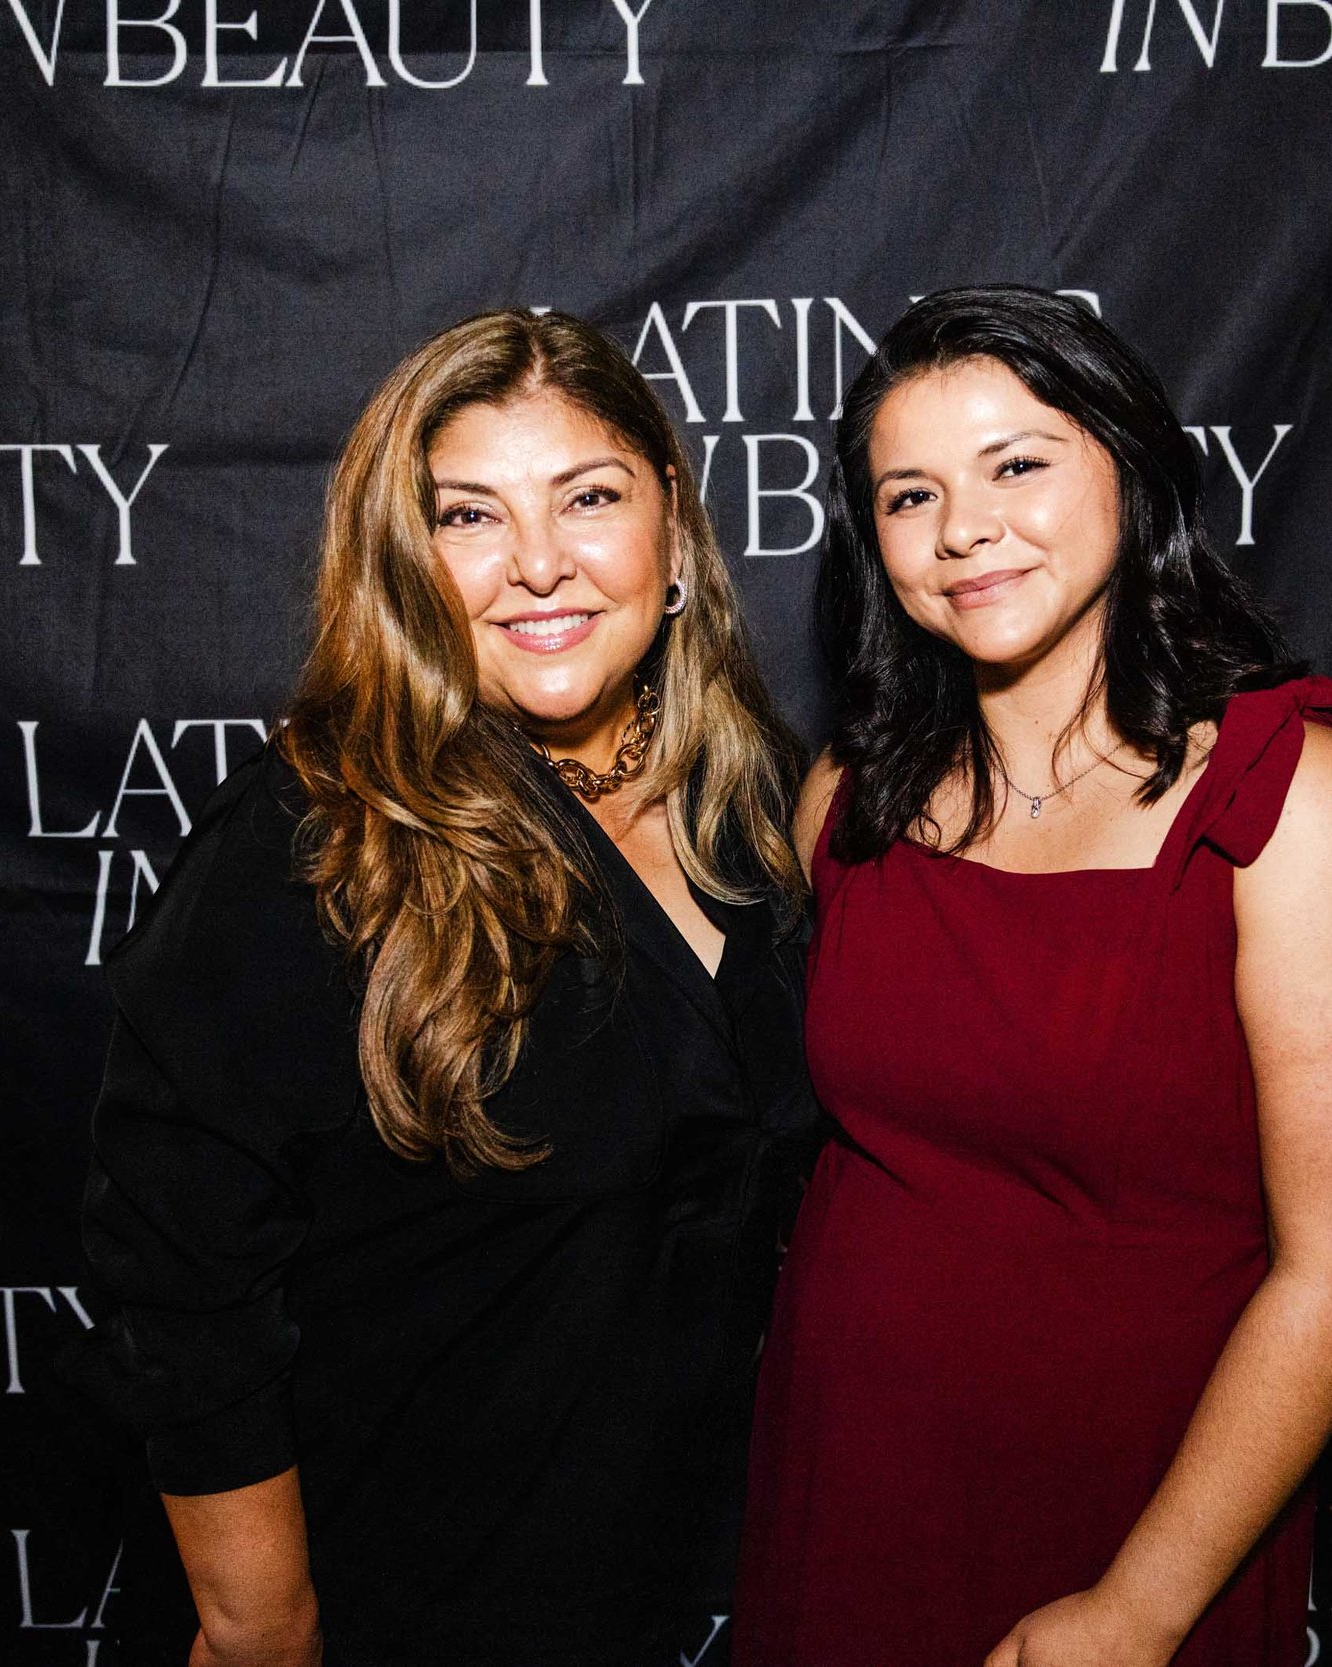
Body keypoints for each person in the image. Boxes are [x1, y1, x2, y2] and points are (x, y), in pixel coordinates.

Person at [77, 308, 818, 1667]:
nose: (540, 564)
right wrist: (260, 1628)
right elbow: (180, 1271)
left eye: (589, 498)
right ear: (403, 565)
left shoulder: (761, 804)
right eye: (468, 518)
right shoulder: (313, 843)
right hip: (405, 1596)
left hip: (697, 1581)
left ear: (672, 537)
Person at [733, 287, 1332, 1667]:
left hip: (1145, 1521)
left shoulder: (1295, 800)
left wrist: (1138, 1611)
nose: (963, 530)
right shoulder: (851, 795)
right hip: (847, 1478)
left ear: (1127, 468)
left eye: (1018, 465)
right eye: (909, 495)